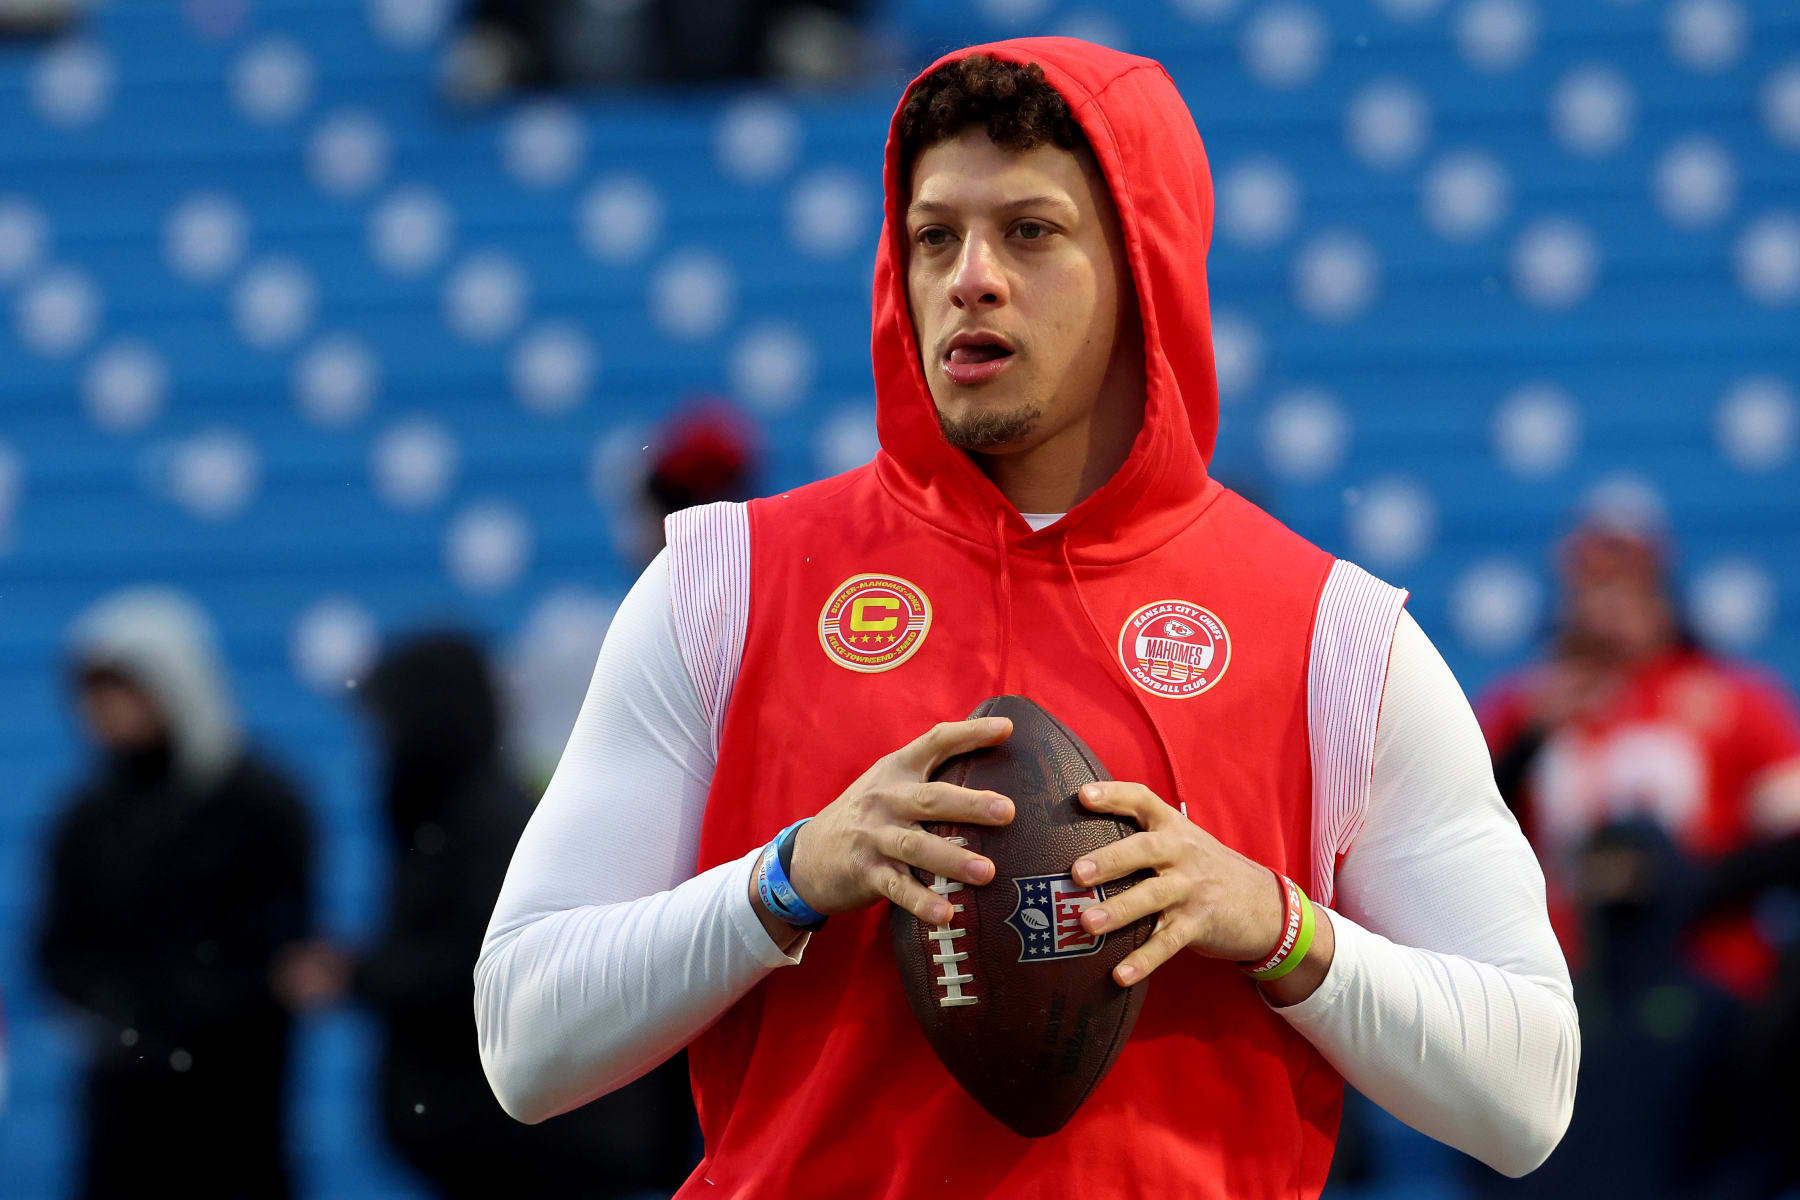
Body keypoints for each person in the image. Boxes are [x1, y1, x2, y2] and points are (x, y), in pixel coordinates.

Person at [477, 39, 1579, 1197]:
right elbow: (523, 1041)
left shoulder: (1334, 636)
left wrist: (1277, 925)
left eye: (1031, 231)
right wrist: (789, 878)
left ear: (1143, 262)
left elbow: (1527, 1095)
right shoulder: (725, 584)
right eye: (933, 236)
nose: (971, 278)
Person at [273, 631, 696, 1198]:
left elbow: (485, 973)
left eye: (389, 726)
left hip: (529, 1143)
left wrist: (357, 976)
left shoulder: (486, 825)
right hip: (509, 1138)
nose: (382, 746)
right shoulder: (457, 815)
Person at [34, 586, 314, 1200]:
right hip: (122, 1111)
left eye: (123, 689)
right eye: (94, 694)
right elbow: (55, 954)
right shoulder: (84, 818)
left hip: (235, 1107)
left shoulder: (260, 804)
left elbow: (284, 953)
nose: (105, 711)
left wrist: (191, 1014)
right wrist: (125, 1020)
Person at [1480, 512, 1800, 990]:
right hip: (1570, 983)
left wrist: (1682, 888)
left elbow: (1789, 837)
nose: (1610, 607)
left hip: (1711, 975)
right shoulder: (1521, 707)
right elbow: (1458, 829)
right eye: (1595, 586)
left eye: (1629, 586)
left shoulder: (1739, 701)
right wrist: (1529, 742)